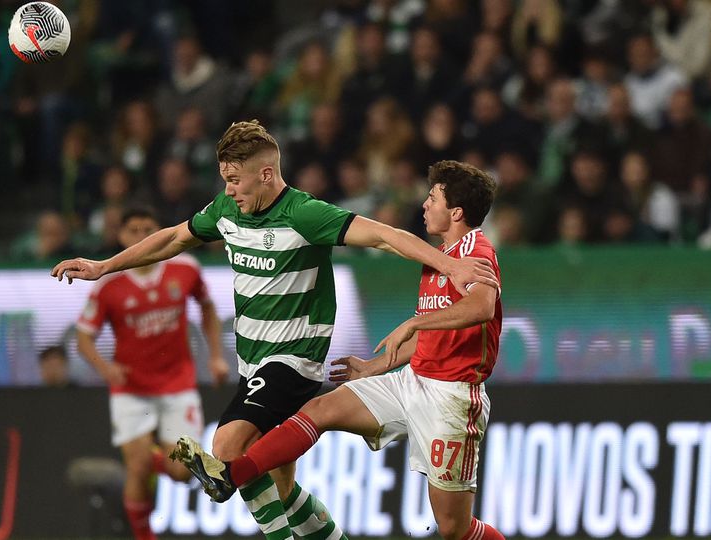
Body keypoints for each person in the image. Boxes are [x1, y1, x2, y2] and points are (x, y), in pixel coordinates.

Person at [52, 121, 498, 540]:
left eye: (236, 179)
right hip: (257, 364)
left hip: (293, 360)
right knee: (282, 488)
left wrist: (447, 264)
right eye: (224, 178)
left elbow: (382, 235)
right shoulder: (226, 209)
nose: (229, 189)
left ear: (266, 174)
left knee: (226, 444)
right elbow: (173, 238)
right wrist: (104, 266)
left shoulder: (305, 214)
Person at [173, 160, 507, 540]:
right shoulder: (440, 256)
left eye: (433, 198)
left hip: (453, 397)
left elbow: (481, 308)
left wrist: (414, 322)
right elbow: (433, 335)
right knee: (319, 409)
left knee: (454, 529)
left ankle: (234, 475)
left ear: (457, 212)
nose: (425, 205)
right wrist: (376, 365)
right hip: (412, 381)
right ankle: (233, 474)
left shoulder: (476, 251)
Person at [74, 207, 230, 540]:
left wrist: (216, 356)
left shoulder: (184, 268)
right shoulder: (109, 283)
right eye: (134, 230)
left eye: (149, 229)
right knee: (138, 465)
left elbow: (207, 306)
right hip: (131, 389)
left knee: (181, 472)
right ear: (122, 236)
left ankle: (163, 454)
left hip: (177, 384)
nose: (142, 236)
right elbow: (83, 337)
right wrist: (105, 368)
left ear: (160, 230)